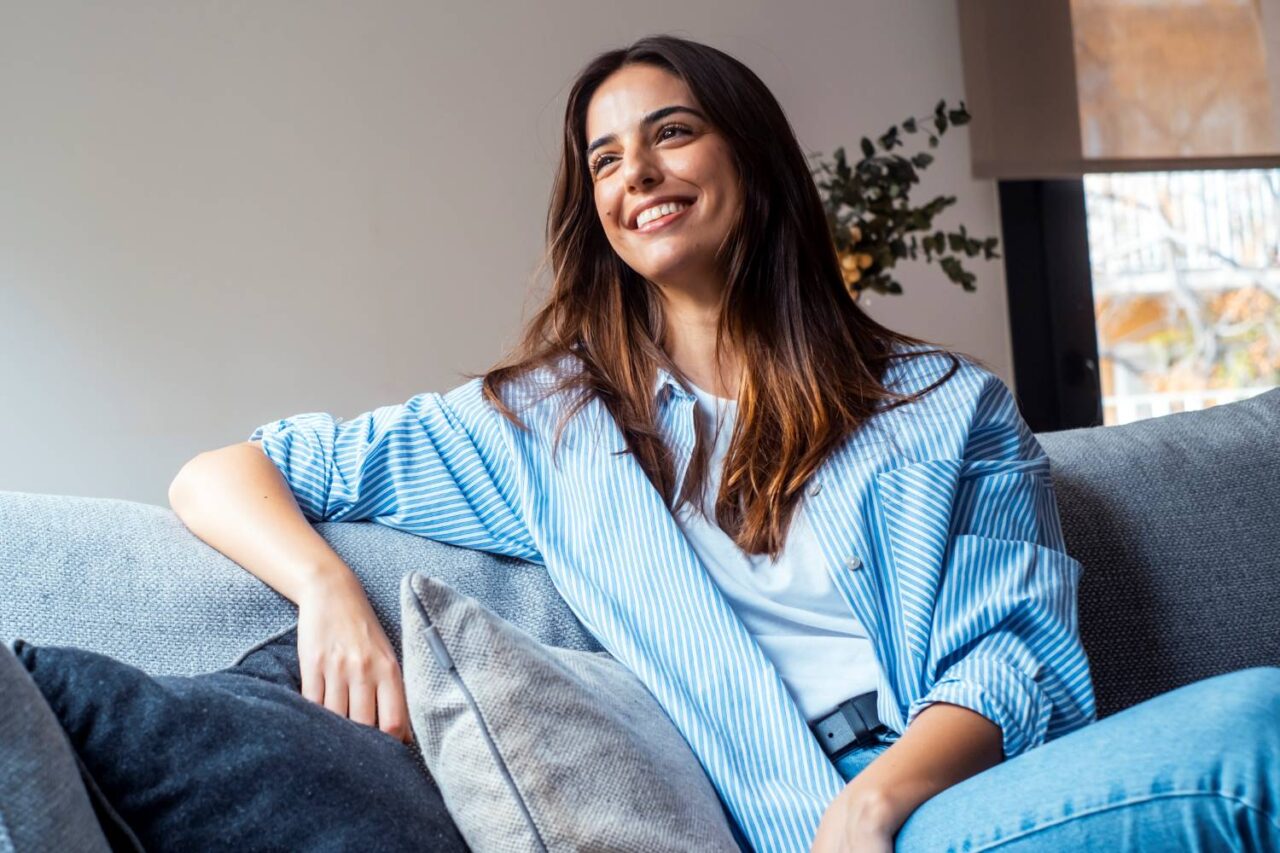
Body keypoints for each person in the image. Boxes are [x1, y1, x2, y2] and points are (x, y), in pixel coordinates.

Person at [170, 34, 1280, 853]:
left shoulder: (945, 406)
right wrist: (324, 591)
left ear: (751, 161)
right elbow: (220, 472)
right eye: (603, 159)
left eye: (670, 133)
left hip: (941, 800)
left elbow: (1015, 658)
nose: (635, 174)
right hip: (790, 814)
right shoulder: (547, 424)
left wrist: (879, 796)